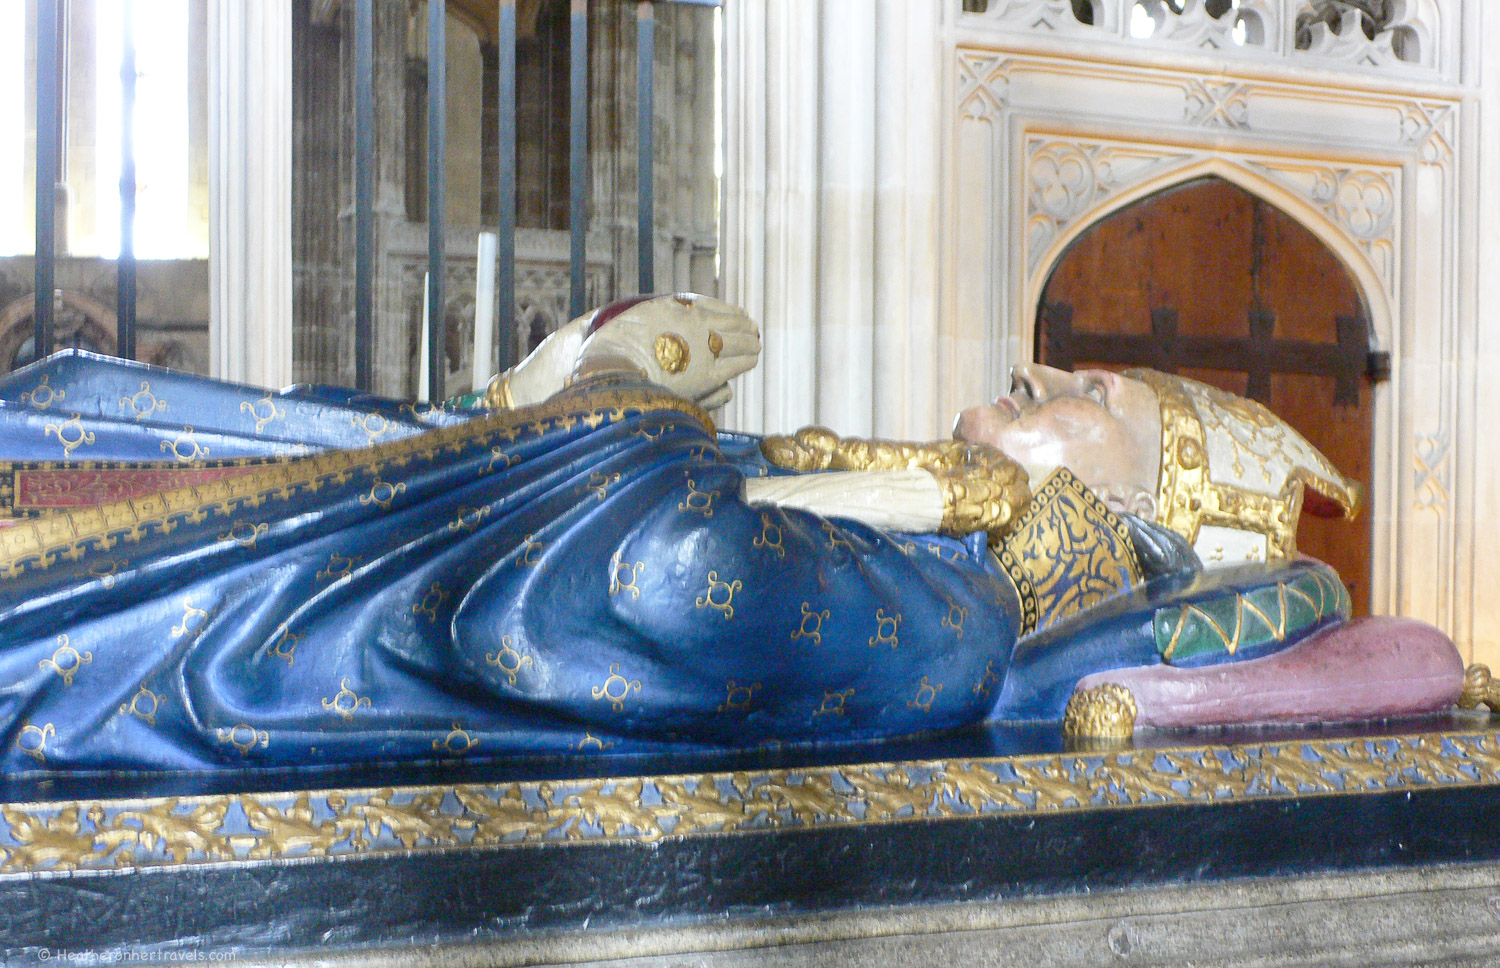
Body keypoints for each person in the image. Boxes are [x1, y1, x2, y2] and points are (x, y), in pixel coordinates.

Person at [0, 295, 1466, 773]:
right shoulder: (939, 543)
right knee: (103, 419)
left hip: (284, 620)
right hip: (350, 545)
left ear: (1137, 508)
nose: (1016, 390)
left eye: (1081, 398)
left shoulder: (966, 611)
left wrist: (619, 399)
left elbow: (669, 575)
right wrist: (537, 395)